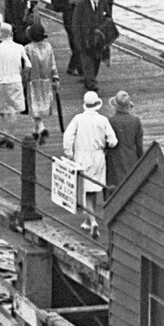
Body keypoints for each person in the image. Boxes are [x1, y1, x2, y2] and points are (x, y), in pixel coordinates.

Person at [63, 90, 117, 232]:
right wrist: (104, 145)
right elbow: (113, 141)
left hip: (82, 156)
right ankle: (88, 219)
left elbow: (68, 136)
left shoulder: (78, 119)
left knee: (86, 190)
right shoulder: (103, 120)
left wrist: (69, 153)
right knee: (93, 190)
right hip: (98, 156)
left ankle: (92, 221)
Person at [71, 0, 114, 88]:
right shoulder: (81, 5)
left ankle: (89, 79)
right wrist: (77, 40)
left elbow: (108, 19)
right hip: (85, 39)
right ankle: (91, 83)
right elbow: (76, 24)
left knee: (96, 63)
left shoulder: (104, 3)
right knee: (87, 62)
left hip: (98, 40)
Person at [0, 25, 30, 145]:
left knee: (1, 109)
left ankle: (4, 132)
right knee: (13, 109)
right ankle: (10, 134)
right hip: (15, 80)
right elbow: (28, 65)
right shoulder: (20, 47)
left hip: (0, 81)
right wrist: (23, 77)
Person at [23, 21, 59, 144]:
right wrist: (55, 77)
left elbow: (26, 67)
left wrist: (23, 79)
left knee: (34, 106)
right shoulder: (48, 47)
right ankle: (36, 130)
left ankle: (41, 127)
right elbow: (53, 63)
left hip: (33, 81)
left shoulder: (28, 49)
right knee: (42, 105)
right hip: (46, 80)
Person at [105, 91, 146, 190]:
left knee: (114, 189)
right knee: (131, 187)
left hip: (114, 160)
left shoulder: (110, 121)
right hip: (131, 158)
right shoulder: (135, 121)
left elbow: (106, 143)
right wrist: (141, 158)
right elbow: (139, 144)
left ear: (115, 106)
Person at [52, 0, 83, 75]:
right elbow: (56, 6)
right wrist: (70, 2)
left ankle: (72, 67)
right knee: (76, 44)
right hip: (70, 20)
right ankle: (81, 71)